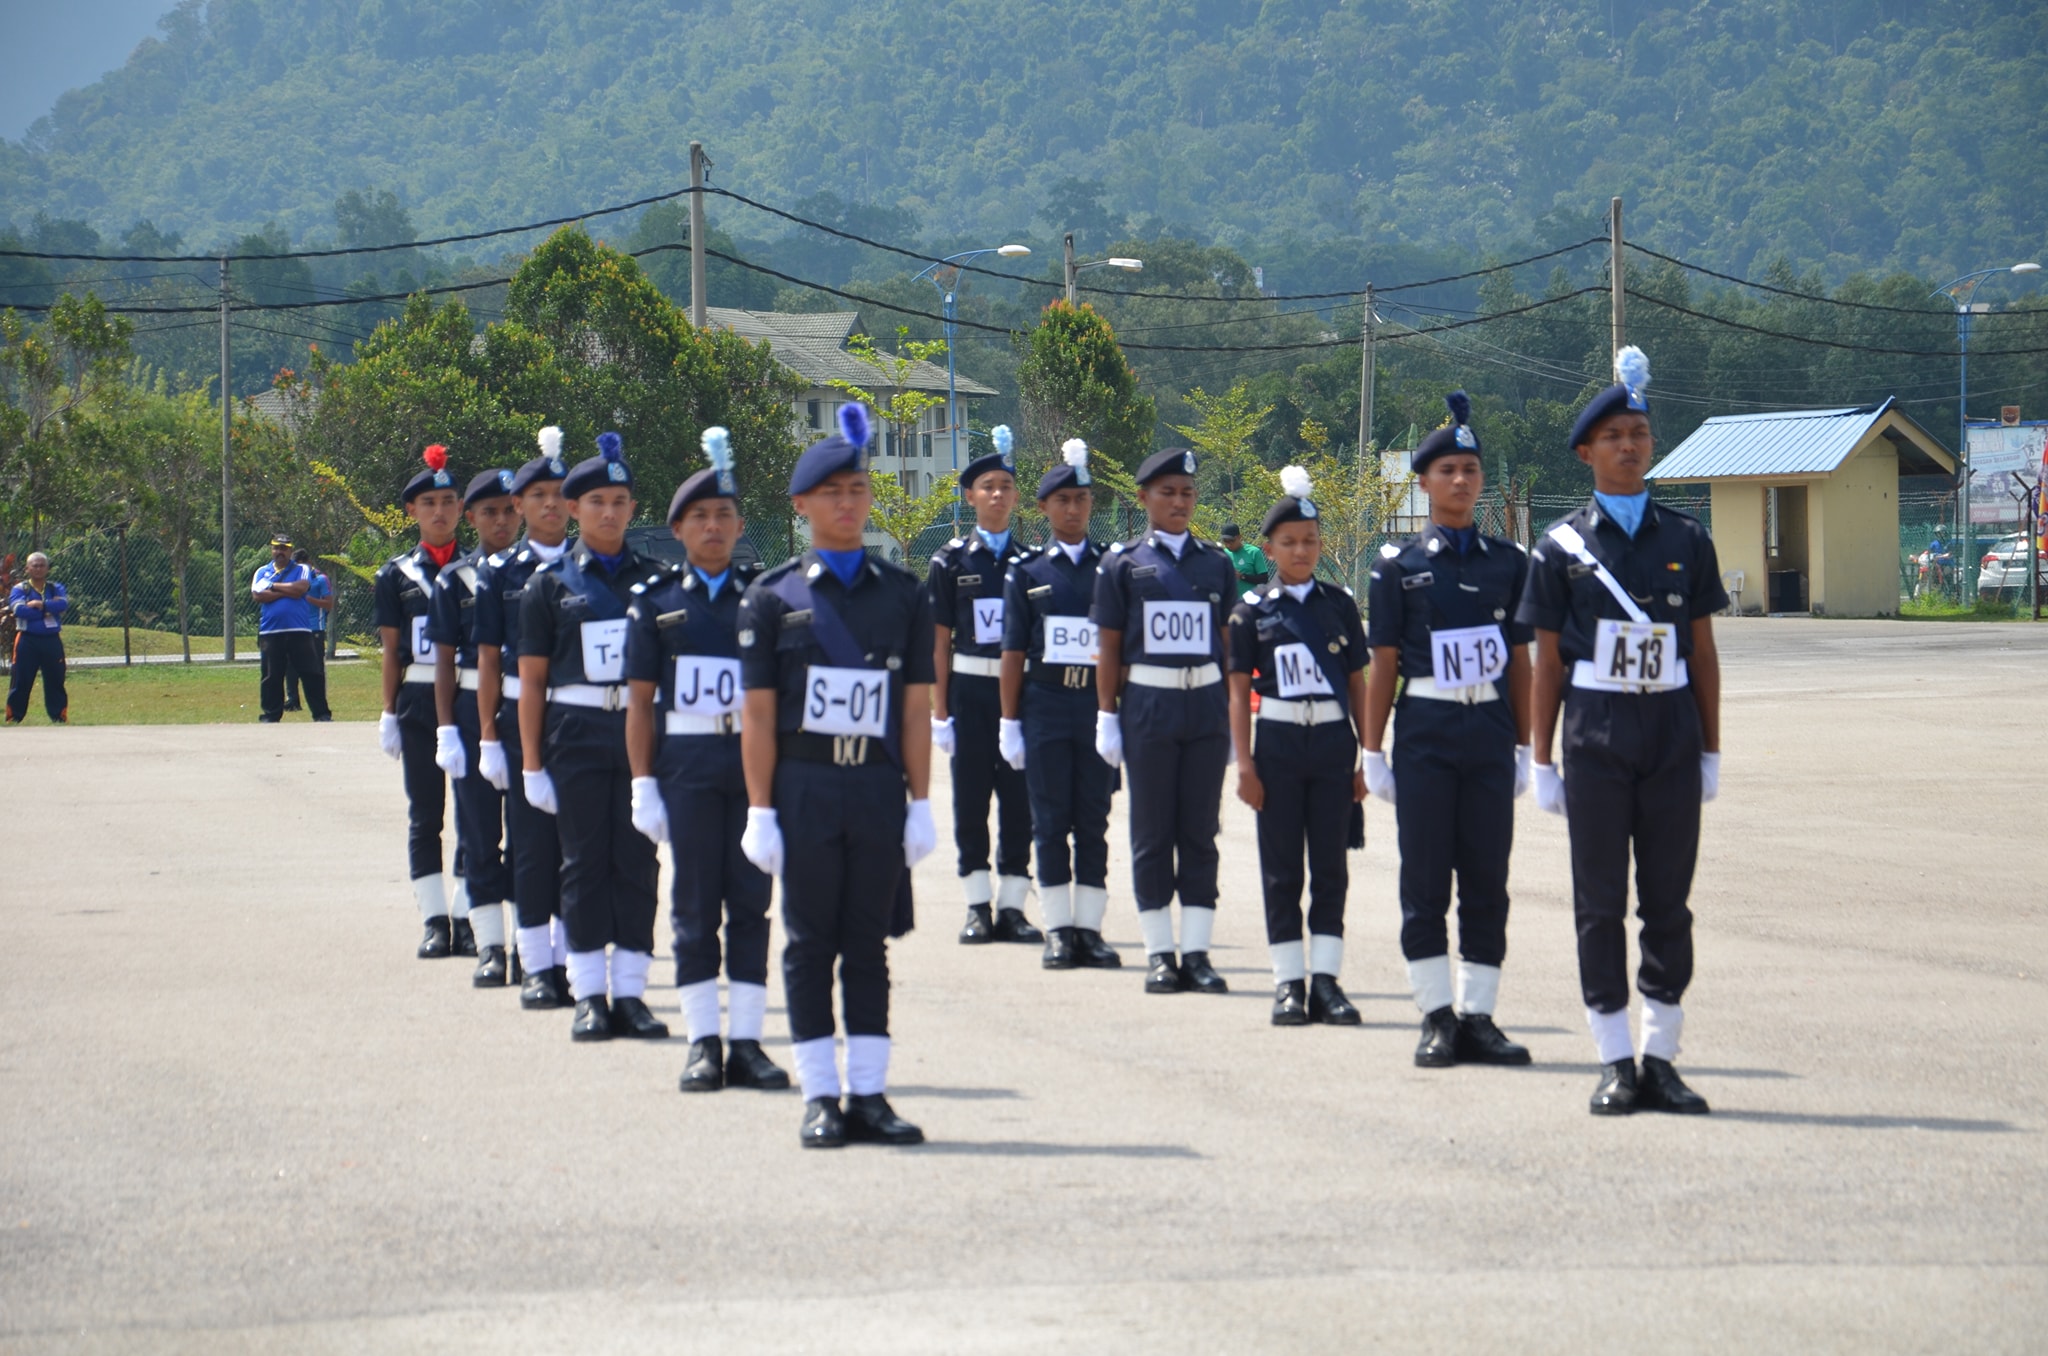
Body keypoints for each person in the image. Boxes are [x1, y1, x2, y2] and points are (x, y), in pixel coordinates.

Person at [1518, 346, 1725, 1117]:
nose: (1630, 445)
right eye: (1613, 437)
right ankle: (1613, 1058)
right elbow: (1545, 664)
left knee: (1669, 902)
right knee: (1600, 902)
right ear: (1586, 452)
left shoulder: (1686, 540)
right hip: (1597, 735)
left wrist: (1709, 747)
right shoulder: (1561, 549)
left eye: (1639, 432)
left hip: (1669, 729)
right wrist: (1540, 758)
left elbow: (1701, 652)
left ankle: (1661, 1056)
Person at [737, 403, 935, 1149]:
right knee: (808, 941)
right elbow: (758, 717)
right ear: (803, 506)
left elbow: (914, 710)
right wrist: (760, 810)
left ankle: (871, 1094)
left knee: (867, 943)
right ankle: (820, 1094)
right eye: (831, 493)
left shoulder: (902, 594)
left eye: (857, 489)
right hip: (806, 788)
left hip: (877, 788)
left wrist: (921, 802)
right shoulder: (773, 598)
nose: (847, 504)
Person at [1363, 393, 1535, 1067]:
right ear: (1425, 482)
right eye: (1447, 471)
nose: (1461, 481)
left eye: (1470, 470)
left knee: (1488, 877)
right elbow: (1381, 666)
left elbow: (1519, 660)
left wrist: (1527, 745)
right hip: (1427, 729)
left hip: (1489, 727)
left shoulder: (1508, 564)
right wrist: (1371, 750)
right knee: (1427, 878)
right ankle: (1435, 1015)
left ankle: (1479, 1016)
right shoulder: (1397, 569)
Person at [625, 426, 789, 1094]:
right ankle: (702, 1040)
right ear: (678, 528)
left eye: (724, 515)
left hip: (753, 771)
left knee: (751, 902)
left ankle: (747, 1041)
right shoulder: (658, 605)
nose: (714, 526)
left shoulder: (765, 599)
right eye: (700, 517)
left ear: (741, 524)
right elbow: (639, 703)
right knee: (694, 904)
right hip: (687, 769)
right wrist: (643, 784)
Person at [517, 431, 671, 1043]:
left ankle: (631, 992)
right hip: (574, 734)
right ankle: (589, 993)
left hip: (641, 737)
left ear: (634, 509)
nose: (609, 512)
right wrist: (531, 762)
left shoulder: (659, 583)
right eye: (596, 502)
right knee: (581, 863)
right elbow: (530, 683)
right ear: (574, 509)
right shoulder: (548, 587)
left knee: (637, 860)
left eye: (620, 501)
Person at [1091, 447, 1237, 996]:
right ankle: (1159, 953)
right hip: (1147, 707)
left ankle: (1196, 953)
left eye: (1187, 493)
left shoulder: (1216, 563)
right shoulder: (1121, 565)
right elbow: (1108, 648)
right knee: (1152, 832)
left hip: (1203, 708)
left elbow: (1226, 644)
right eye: (1167, 492)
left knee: (1200, 832)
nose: (1179, 502)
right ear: (1143, 498)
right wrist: (1107, 715)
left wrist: (1228, 710)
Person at [1227, 466, 1370, 1026]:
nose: (1301, 550)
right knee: (1282, 867)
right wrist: (1244, 763)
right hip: (1279, 745)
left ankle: (1328, 982)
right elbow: (1239, 693)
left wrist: (1367, 757)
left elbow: (1357, 683)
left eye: (1310, 541)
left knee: (1331, 867)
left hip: (1334, 745)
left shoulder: (1338, 605)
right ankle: (1289, 981)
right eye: (1289, 542)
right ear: (1269, 548)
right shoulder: (1252, 612)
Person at [999, 439, 1121, 970]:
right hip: (1045, 703)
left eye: (1082, 500)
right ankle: (1057, 929)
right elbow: (1012, 652)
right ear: (1044, 508)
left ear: (1092, 505)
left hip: (1094, 705)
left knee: (1093, 819)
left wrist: (1117, 714)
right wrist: (1009, 722)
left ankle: (1089, 930)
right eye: (1062, 501)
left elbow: (1123, 648)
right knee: (1048, 820)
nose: (1073, 509)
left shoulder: (1112, 569)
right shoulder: (1026, 574)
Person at [927, 425, 1041, 946]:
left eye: (1006, 486)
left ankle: (1014, 906)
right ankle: (977, 904)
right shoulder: (950, 561)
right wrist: (940, 712)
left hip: (1018, 698)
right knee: (971, 802)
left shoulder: (1031, 563)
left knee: (1020, 803)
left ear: (1017, 497)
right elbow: (939, 642)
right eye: (987, 486)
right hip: (970, 694)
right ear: (970, 496)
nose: (997, 494)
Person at [473, 429, 574, 1010]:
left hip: (579, 718)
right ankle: (535, 963)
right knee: (532, 845)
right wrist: (488, 734)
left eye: (562, 494)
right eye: (539, 496)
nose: (552, 505)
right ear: (519, 506)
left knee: (576, 846)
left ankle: (568, 960)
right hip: (518, 717)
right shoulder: (499, 573)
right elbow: (487, 661)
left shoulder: (592, 566)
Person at [374, 446, 473, 959]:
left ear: (462, 509)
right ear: (411, 511)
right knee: (426, 814)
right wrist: (388, 711)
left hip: (471, 700)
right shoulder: (394, 577)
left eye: (449, 501)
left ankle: (465, 913)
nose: (440, 511)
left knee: (476, 816)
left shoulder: (481, 574)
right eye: (429, 502)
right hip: (415, 704)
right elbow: (393, 650)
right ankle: (434, 919)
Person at [429, 468, 523, 987]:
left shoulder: (538, 574)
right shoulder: (454, 579)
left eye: (510, 509)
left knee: (532, 838)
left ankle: (529, 943)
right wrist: (447, 729)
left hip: (527, 707)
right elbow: (445, 661)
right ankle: (490, 944)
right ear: (472, 518)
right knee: (480, 834)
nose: (502, 520)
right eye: (489, 512)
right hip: (469, 710)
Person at [251, 535, 331, 723]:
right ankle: (271, 715)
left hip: (299, 631)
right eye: (276, 548)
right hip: (270, 631)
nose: (280, 551)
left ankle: (321, 714)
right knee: (271, 675)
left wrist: (272, 587)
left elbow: (301, 589)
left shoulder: (301, 569)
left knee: (311, 673)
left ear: (290, 550)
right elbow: (258, 595)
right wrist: (287, 591)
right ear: (271, 550)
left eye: (284, 548)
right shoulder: (262, 571)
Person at [6, 551, 68, 724]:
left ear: (47, 568)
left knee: (56, 678)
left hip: (51, 640)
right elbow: (19, 611)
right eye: (35, 565)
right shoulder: (20, 589)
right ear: (27, 568)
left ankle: (59, 716)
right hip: (27, 640)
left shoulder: (55, 588)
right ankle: (14, 717)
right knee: (21, 679)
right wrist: (49, 608)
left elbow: (63, 605)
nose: (38, 569)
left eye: (42, 565)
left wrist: (40, 605)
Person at [285, 549, 332, 712]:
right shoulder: (293, 579)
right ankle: (292, 700)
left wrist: (307, 598)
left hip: (315, 629)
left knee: (315, 667)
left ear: (308, 563)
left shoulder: (320, 579)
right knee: (290, 665)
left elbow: (328, 604)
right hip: (295, 627)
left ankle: (319, 700)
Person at [1220, 523, 1270, 589]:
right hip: (1231, 598)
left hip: (1250, 598)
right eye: (1225, 542)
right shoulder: (1223, 554)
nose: (1228, 545)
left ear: (1239, 537)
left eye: (1231, 541)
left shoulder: (1253, 552)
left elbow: (1264, 579)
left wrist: (1242, 576)